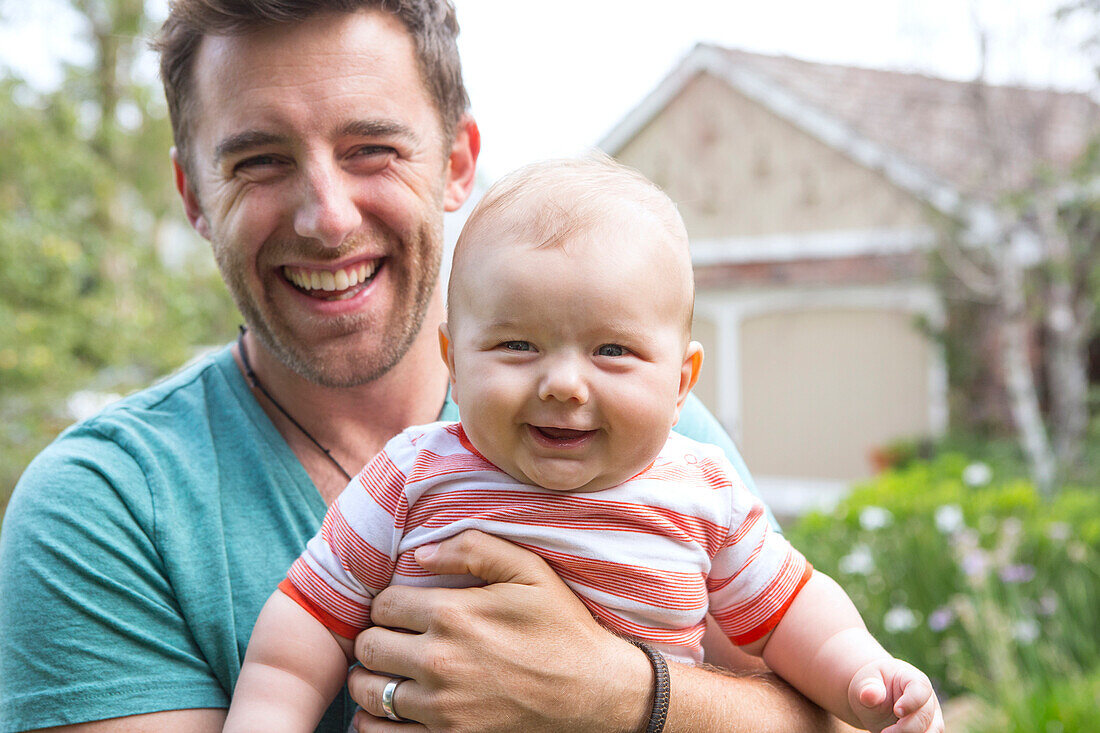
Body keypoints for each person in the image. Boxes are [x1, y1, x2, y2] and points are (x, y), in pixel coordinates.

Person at [0, 2, 863, 732]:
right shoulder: (107, 505)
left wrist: (615, 689)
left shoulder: (652, 433)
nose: (327, 218)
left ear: (456, 164)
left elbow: (815, 701)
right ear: (193, 193)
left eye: (372, 148)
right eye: (259, 160)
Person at [224, 156, 944, 733]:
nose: (563, 383)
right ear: (455, 358)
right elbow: (303, 627)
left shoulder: (702, 490)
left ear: (681, 379)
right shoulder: (412, 474)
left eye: (612, 350)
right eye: (516, 344)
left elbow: (792, 611)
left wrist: (863, 676)